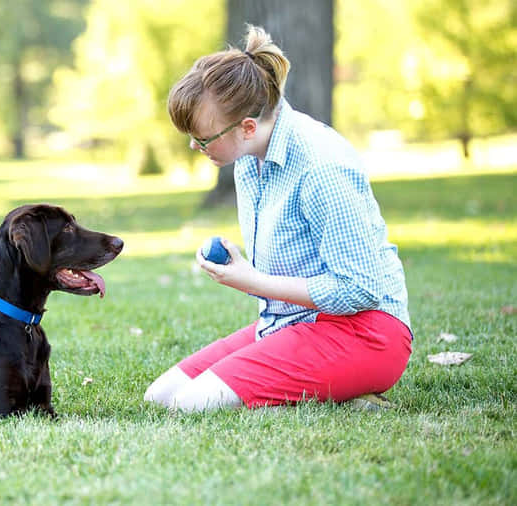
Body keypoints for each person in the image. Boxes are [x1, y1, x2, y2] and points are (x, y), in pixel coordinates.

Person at [144, 25, 412, 411]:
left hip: (365, 333)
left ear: (247, 127)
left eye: (202, 139)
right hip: (290, 324)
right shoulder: (249, 158)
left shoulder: (321, 168)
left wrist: (255, 281)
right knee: (161, 398)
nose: (194, 146)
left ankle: (348, 388)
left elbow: (360, 289)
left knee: (193, 405)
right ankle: (333, 390)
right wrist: (246, 271)